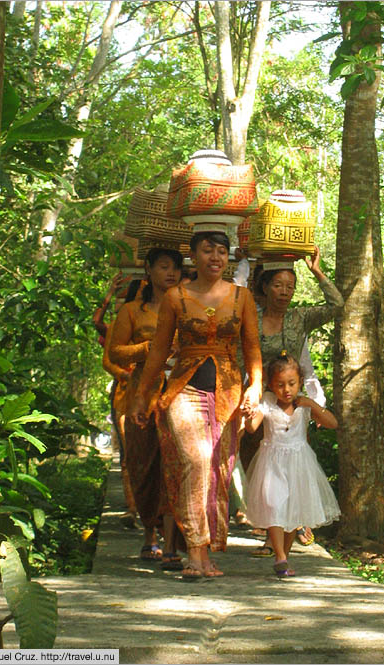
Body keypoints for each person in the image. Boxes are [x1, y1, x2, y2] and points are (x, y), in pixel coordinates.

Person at [131, 230, 262, 580]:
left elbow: (251, 348)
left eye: (221, 251)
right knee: (196, 460)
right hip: (182, 391)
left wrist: (256, 387)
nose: (215, 257)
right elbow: (159, 351)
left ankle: (205, 555)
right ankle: (195, 551)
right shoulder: (176, 297)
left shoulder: (242, 297)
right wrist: (143, 395)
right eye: (207, 251)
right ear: (193, 255)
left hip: (227, 393)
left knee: (217, 471)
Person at [240, 245, 344, 554]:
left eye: (291, 286)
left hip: (292, 402)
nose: (285, 292)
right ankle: (270, 533)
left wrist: (317, 271)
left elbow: (336, 304)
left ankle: (296, 521)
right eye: (278, 285)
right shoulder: (252, 320)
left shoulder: (300, 318)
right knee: (259, 466)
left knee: (294, 462)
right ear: (265, 287)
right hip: (260, 398)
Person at [109, 248, 184, 569]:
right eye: (164, 267)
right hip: (141, 397)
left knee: (174, 468)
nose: (170, 273)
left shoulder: (188, 307)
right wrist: (147, 349)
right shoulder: (131, 312)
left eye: (175, 268)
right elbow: (115, 353)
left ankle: (170, 544)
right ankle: (149, 535)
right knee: (142, 468)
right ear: (149, 270)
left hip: (179, 398)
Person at [244, 353, 340, 577]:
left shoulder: (304, 404)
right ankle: (280, 556)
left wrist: (313, 405)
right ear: (270, 385)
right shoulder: (267, 402)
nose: (286, 389)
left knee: (293, 511)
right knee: (274, 505)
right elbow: (252, 427)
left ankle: (284, 557)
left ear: (299, 382)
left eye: (291, 384)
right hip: (272, 461)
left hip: (299, 463)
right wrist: (251, 412)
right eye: (280, 385)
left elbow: (332, 423)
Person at [102, 279, 140, 529]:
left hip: (156, 392)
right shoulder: (120, 322)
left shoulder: (163, 316)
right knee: (128, 454)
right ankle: (132, 507)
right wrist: (124, 374)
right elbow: (108, 360)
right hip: (125, 394)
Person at [93, 272, 130, 345]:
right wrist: (110, 292)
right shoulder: (113, 333)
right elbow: (97, 322)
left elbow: (97, 321)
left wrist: (111, 291)